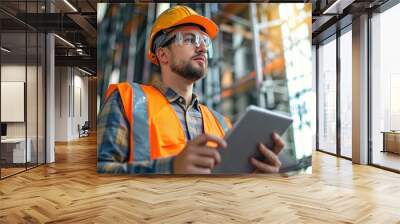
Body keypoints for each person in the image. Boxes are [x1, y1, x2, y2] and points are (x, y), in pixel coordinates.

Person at [97, 5, 285, 174]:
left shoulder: (222, 124)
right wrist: (170, 169)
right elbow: (100, 171)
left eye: (204, 41)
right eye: (189, 39)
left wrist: (255, 176)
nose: (202, 47)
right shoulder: (126, 99)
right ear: (163, 54)